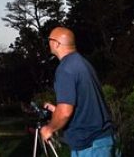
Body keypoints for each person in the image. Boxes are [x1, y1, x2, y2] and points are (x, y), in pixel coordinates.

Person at [40, 26, 118, 156]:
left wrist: (50, 128)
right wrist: (56, 110)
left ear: (56, 43)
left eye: (49, 39)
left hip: (90, 145)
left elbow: (65, 112)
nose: (48, 42)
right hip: (101, 140)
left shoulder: (65, 69)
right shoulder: (82, 63)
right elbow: (85, 102)